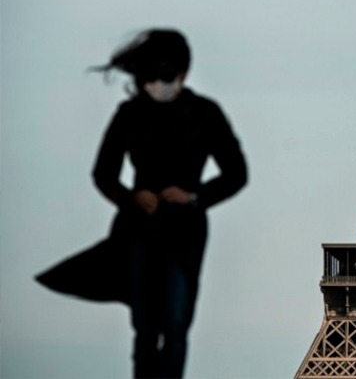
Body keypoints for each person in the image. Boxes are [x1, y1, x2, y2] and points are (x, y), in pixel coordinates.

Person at [37, 29, 248, 378]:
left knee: (176, 322)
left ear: (183, 73)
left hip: (184, 231)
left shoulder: (205, 114)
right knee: (147, 324)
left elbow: (236, 173)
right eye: (150, 78)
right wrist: (132, 197)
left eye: (164, 77)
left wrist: (194, 196)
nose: (157, 85)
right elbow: (103, 172)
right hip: (140, 230)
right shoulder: (130, 114)